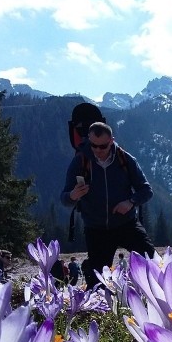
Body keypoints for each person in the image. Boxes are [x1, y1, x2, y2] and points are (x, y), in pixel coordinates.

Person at [60, 122, 155, 288]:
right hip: (96, 230)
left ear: (112, 140)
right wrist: (73, 195)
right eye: (93, 145)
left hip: (126, 224)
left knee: (152, 260)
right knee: (97, 282)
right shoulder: (80, 161)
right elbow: (64, 198)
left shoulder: (125, 160)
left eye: (102, 146)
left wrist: (130, 202)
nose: (97, 150)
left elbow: (146, 190)